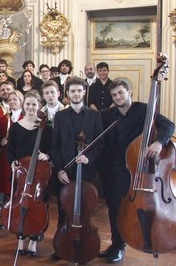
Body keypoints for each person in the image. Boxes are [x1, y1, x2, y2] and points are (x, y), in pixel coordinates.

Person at [98, 78, 174, 263]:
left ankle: (130, 244)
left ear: (129, 93)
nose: (118, 97)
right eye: (114, 95)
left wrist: (158, 142)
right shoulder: (107, 115)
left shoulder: (142, 109)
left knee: (129, 209)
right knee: (113, 208)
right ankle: (117, 244)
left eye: (121, 93)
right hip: (111, 170)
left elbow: (168, 125)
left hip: (134, 169)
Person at [49, 77, 103, 260]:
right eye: (72, 91)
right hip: (65, 172)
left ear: (84, 92)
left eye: (79, 90)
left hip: (86, 172)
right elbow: (55, 146)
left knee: (84, 209)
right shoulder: (60, 116)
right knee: (64, 210)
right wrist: (59, 169)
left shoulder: (95, 116)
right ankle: (60, 246)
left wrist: (89, 158)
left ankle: (85, 246)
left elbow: (100, 144)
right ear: (67, 94)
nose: (76, 94)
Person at [6, 90, 50, 257]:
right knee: (20, 205)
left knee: (39, 205)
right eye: (28, 104)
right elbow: (10, 150)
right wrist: (12, 162)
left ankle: (34, 240)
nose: (31, 107)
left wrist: (47, 155)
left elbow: (51, 147)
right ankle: (20, 238)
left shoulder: (45, 127)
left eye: (34, 104)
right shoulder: (17, 127)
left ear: (38, 106)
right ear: (23, 106)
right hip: (21, 173)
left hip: (39, 174)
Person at [0, 89, 23, 225]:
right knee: (3, 181)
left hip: (21, 156)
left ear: (21, 101)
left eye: (15, 99)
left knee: (18, 183)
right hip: (5, 156)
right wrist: (0, 140)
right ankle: (0, 210)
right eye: (10, 100)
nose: (12, 102)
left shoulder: (24, 118)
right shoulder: (4, 119)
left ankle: (16, 210)